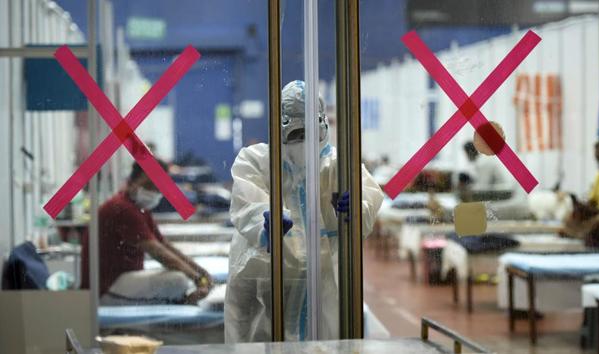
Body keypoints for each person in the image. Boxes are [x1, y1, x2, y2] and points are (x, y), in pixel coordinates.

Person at [225, 80, 384, 342]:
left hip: (322, 281)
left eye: (311, 133)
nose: (305, 143)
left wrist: (357, 208)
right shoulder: (257, 160)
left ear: (323, 127)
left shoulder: (338, 164)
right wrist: (266, 218)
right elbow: (247, 199)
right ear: (280, 128)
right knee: (261, 340)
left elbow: (368, 196)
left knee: (325, 341)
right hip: (268, 278)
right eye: (297, 134)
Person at [81, 160, 213, 305]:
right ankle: (184, 300)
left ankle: (184, 297)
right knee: (178, 280)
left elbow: (163, 245)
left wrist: (200, 272)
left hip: (120, 280)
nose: (154, 191)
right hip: (105, 289)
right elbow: (157, 252)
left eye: (158, 188)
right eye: (148, 185)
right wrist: (197, 278)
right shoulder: (123, 208)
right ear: (131, 182)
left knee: (179, 276)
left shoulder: (138, 207)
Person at [564, 138, 599, 248]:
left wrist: (595, 211)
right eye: (597, 159)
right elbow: (593, 200)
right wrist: (582, 207)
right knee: (571, 217)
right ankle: (582, 234)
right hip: (597, 213)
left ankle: (580, 234)